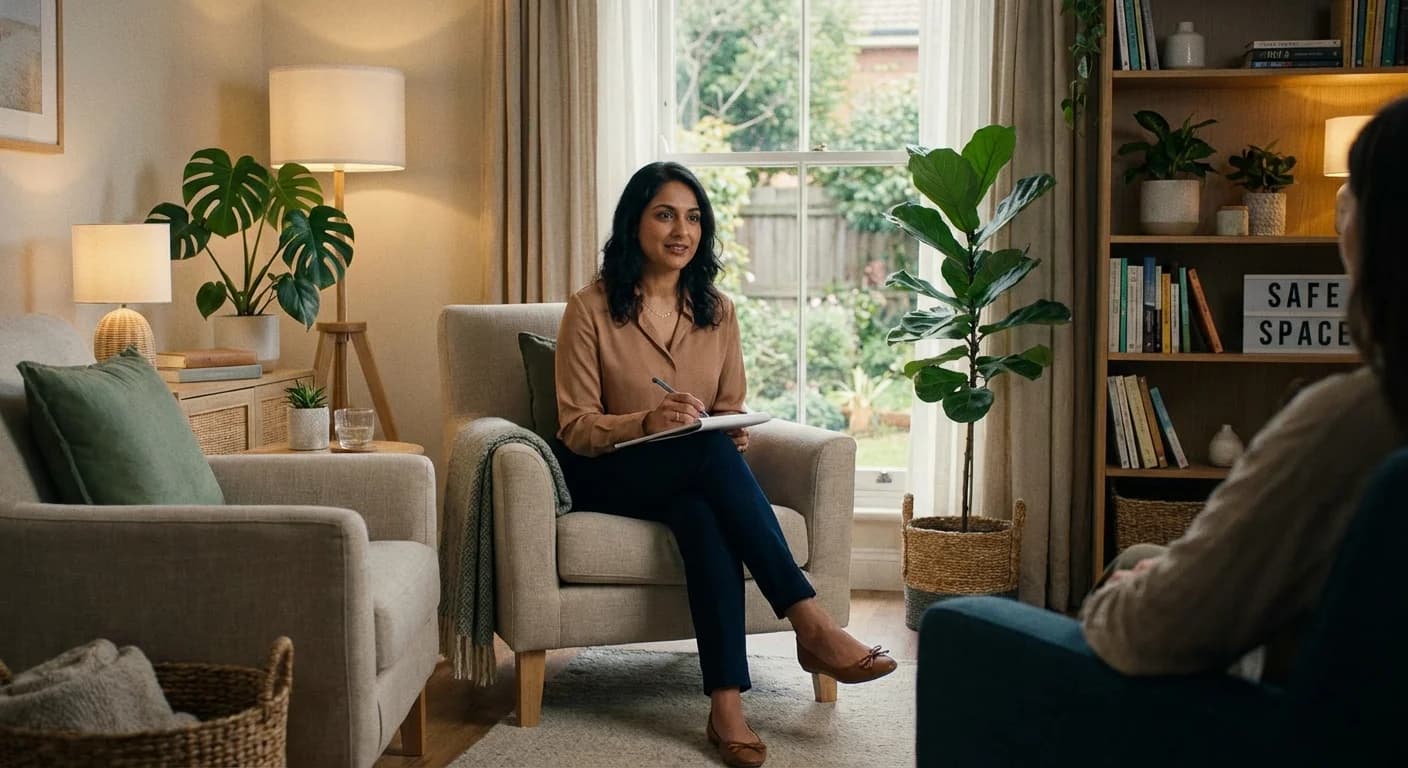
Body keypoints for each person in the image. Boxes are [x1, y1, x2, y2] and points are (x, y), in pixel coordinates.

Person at [553, 161, 896, 767]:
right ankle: (810, 624)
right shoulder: (591, 309)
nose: (681, 230)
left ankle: (726, 706)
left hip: (690, 474)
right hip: (607, 472)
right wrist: (647, 421)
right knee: (701, 451)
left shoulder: (718, 310)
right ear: (634, 223)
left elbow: (730, 409)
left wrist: (728, 435)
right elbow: (576, 427)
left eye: (693, 217)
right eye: (665, 215)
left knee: (701, 514)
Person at [1081, 97, 1408, 681]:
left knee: (976, 630)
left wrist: (1117, 601)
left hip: (1291, 715)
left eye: (1351, 192)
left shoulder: (1353, 418)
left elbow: (1149, 631)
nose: (1339, 215)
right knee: (1137, 555)